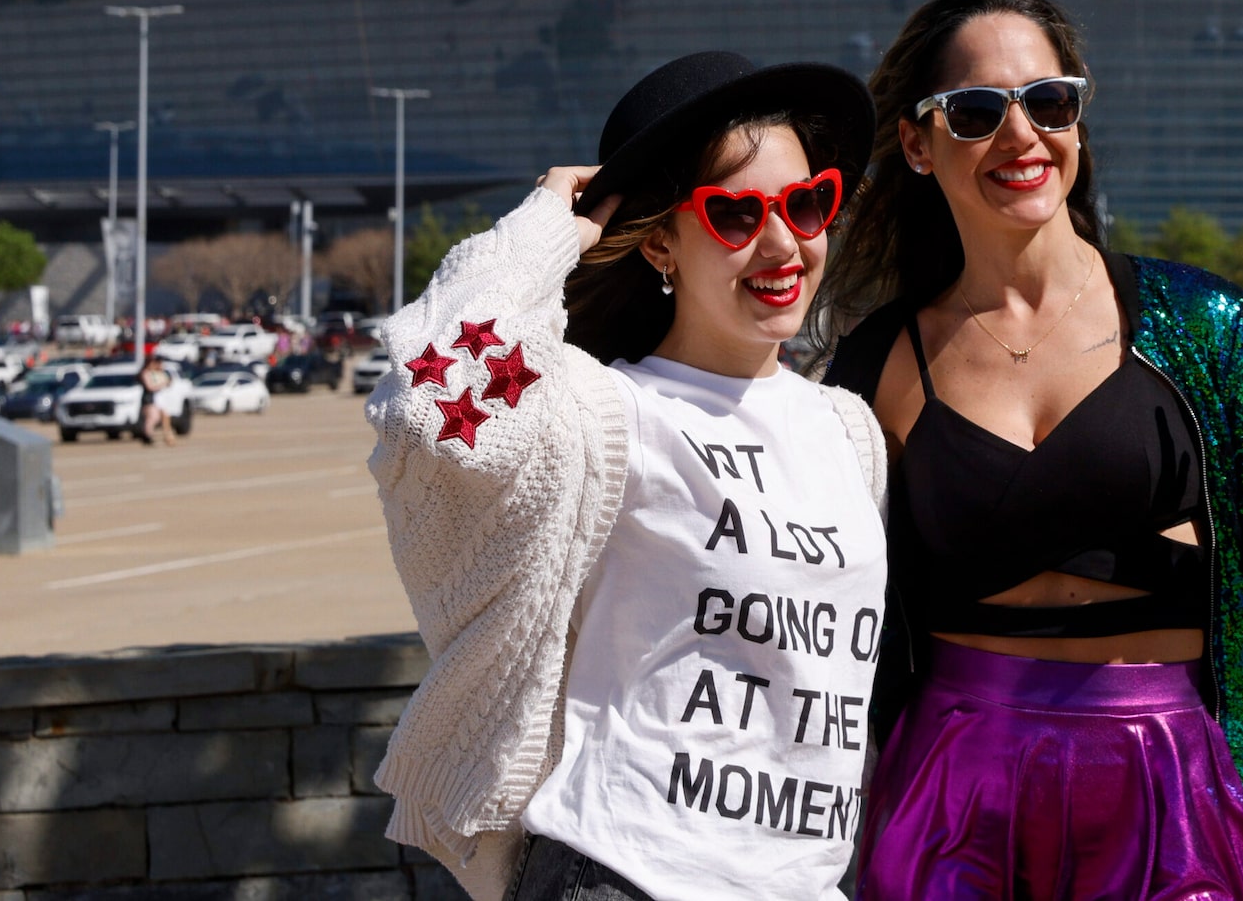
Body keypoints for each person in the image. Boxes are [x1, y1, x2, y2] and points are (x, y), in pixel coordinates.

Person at [822, 0, 1243, 901]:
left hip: (1170, 782)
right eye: (977, 110)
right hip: (956, 782)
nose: (1021, 133)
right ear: (916, 141)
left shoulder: (1198, 322)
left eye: (1048, 100)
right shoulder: (877, 363)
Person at [366, 52, 890, 901]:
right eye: (734, 214)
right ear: (660, 244)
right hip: (628, 877)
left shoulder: (848, 433)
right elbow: (432, 400)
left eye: (807, 203)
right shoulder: (604, 412)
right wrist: (547, 229)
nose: (784, 242)